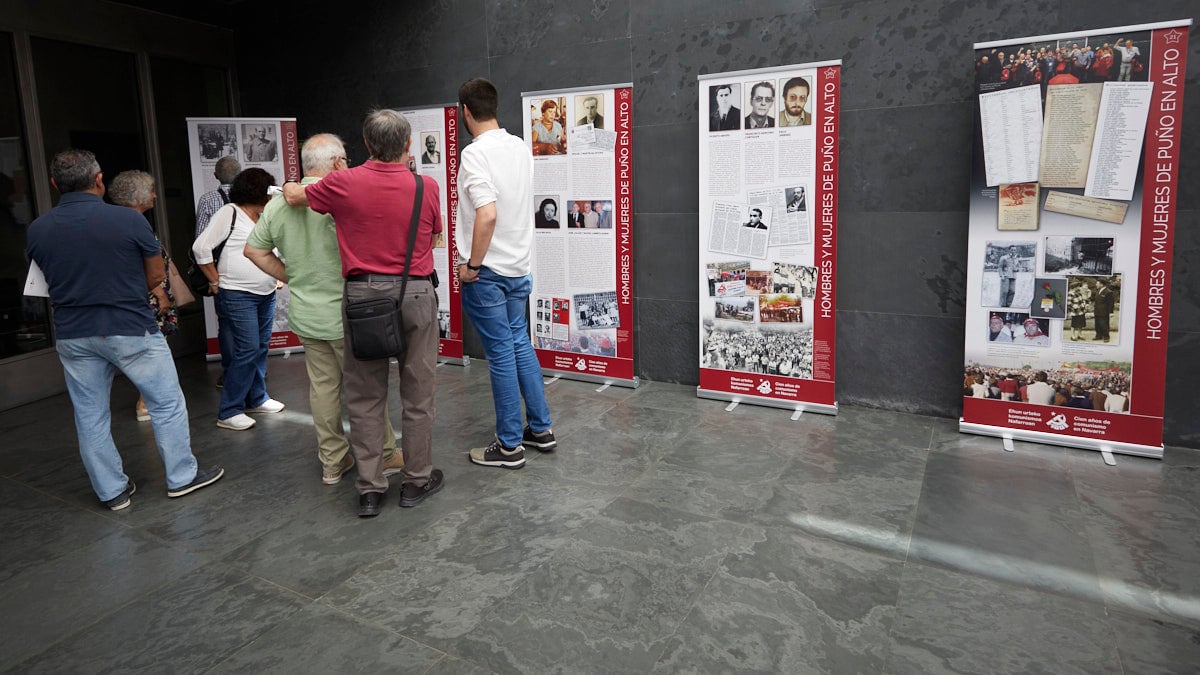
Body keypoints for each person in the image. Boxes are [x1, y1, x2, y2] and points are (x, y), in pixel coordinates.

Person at [26, 149, 223, 510]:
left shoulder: (38, 229)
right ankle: (181, 476)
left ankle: (112, 491)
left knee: (89, 413)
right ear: (99, 180)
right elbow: (156, 276)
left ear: (55, 184)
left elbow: (44, 282)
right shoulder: (129, 222)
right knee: (165, 403)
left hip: (73, 331)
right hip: (130, 326)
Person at [283, 109, 443, 517]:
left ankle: (371, 489)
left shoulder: (342, 182)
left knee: (365, 396)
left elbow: (296, 195)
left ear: (367, 146)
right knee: (418, 394)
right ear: (408, 146)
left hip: (362, 298)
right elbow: (435, 234)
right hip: (417, 294)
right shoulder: (427, 186)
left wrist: (289, 184)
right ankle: (416, 481)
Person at [244, 133, 404, 486]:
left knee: (322, 389)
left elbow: (254, 251)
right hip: (351, 315)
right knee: (367, 388)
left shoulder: (276, 205)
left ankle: (332, 461)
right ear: (337, 163)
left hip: (306, 313)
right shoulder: (345, 200)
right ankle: (387, 453)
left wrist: (293, 276)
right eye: (345, 159)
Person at [455, 77, 556, 470]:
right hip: (519, 268)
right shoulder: (520, 148)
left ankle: (510, 444)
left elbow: (488, 213)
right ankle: (541, 429)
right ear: (494, 107)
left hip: (489, 272)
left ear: (466, 111)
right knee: (519, 344)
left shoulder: (475, 155)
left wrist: (472, 266)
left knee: (500, 353)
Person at [192, 168, 285, 431]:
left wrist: (276, 276)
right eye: (268, 189)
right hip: (236, 293)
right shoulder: (229, 212)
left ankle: (257, 398)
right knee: (247, 349)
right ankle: (230, 410)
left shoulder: (265, 215)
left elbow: (269, 248)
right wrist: (213, 279)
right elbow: (201, 247)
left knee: (260, 347)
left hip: (265, 292)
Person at [109, 170, 178, 422]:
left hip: (145, 295)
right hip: (147, 298)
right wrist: (158, 292)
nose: (156, 196)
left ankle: (148, 401)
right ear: (138, 196)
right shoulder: (132, 222)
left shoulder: (119, 221)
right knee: (149, 353)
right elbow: (139, 264)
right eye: (151, 191)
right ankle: (146, 403)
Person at [195, 155, 241, 237]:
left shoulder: (206, 200)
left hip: (219, 249)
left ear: (215, 175)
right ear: (240, 175)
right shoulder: (252, 197)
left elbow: (201, 236)